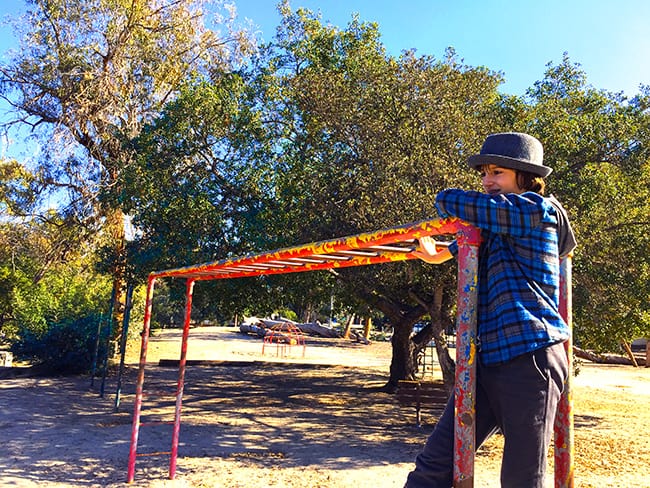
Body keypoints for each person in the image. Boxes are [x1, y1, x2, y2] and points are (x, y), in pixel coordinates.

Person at [406, 132, 576, 488]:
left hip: (530, 358)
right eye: (484, 173)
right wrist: (440, 253)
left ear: (525, 177)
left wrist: (443, 198)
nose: (487, 181)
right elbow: (474, 238)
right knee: (435, 464)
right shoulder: (500, 221)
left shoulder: (534, 209)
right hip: (486, 361)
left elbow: (468, 208)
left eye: (497, 172)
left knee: (520, 478)